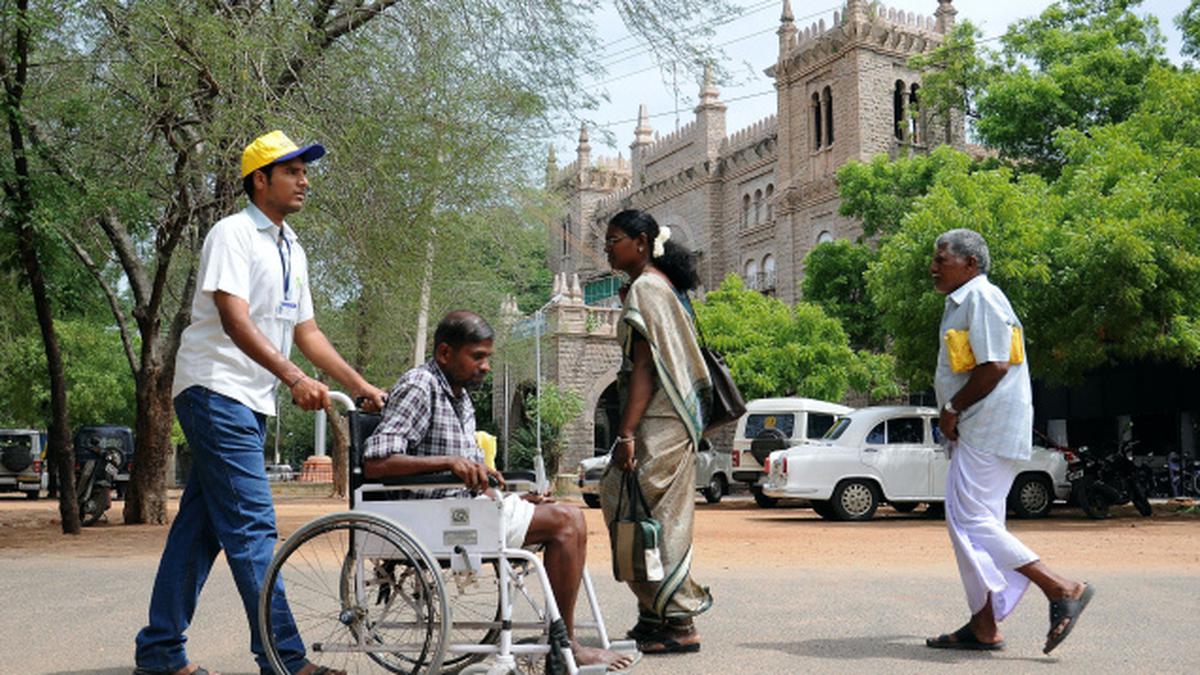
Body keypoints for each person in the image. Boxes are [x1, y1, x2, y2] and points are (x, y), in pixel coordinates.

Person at [134, 130, 387, 675]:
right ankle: (286, 659)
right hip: (214, 389)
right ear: (260, 179)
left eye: (305, 170)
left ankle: (158, 652)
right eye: (293, 171)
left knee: (200, 532)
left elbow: (309, 332)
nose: (304, 180)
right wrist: (294, 377)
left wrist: (360, 385)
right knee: (253, 528)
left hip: (249, 399)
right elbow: (234, 318)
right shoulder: (233, 234)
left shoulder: (291, 246)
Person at [363, 310, 635, 670]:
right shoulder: (420, 386)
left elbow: (471, 475)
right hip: (429, 517)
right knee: (566, 522)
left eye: (487, 357)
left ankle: (561, 640)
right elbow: (375, 461)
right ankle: (564, 646)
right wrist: (447, 463)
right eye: (477, 356)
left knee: (567, 514)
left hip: (463, 507)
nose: (486, 366)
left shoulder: (459, 396)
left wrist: (516, 497)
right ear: (445, 353)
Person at [925, 229, 1093, 654]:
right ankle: (983, 625)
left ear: (971, 264)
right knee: (974, 525)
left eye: (941, 260)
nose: (933, 267)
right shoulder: (964, 301)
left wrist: (952, 410)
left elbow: (995, 365)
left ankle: (1061, 588)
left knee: (970, 523)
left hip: (985, 427)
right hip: (980, 427)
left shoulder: (982, 297)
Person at [598, 209, 713, 654]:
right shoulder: (653, 286)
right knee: (646, 513)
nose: (608, 247)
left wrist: (626, 434)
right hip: (673, 421)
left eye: (616, 239)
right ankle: (654, 616)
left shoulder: (647, 288)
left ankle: (679, 621)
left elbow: (644, 368)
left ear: (642, 243)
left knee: (646, 516)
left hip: (659, 424)